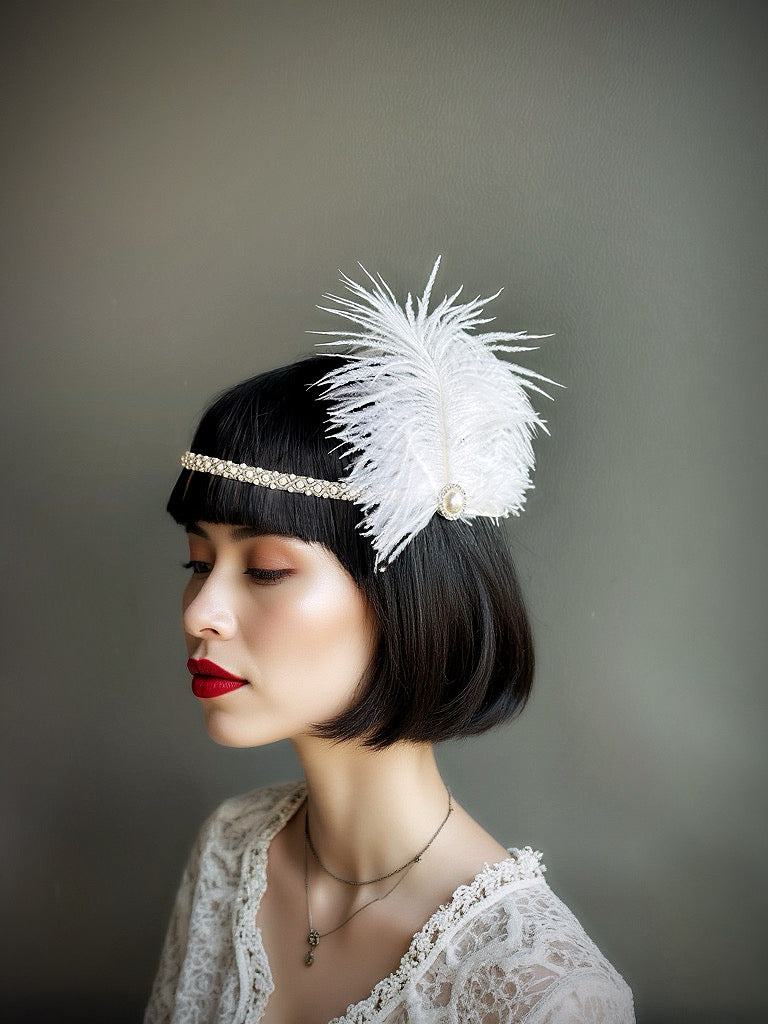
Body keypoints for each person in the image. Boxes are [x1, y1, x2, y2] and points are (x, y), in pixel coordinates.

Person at [144, 260, 635, 1024]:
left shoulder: (543, 993)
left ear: (404, 600)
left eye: (266, 568)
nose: (200, 611)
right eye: (197, 562)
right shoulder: (233, 849)